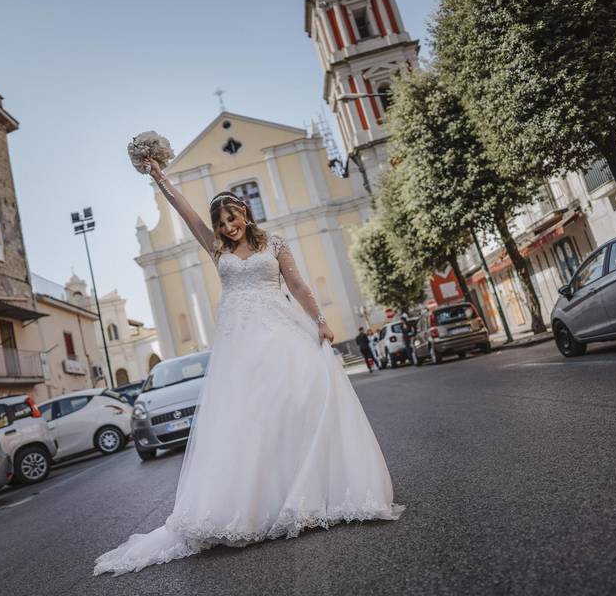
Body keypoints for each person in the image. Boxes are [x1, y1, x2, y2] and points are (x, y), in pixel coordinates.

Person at [93, 158, 404, 576]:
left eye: (232, 218)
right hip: (239, 347)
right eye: (221, 222)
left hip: (281, 332)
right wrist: (159, 178)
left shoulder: (274, 244)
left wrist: (321, 321)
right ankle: (265, 503)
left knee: (297, 405)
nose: (227, 226)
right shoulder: (215, 248)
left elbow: (297, 285)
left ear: (244, 214)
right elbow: (185, 211)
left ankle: (313, 493)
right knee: (251, 419)